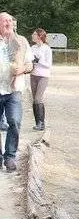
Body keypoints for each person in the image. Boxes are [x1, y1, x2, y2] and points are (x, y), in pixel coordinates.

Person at [0, 12, 33, 172]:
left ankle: (10, 157)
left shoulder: (21, 41)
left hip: (14, 90)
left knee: (14, 121)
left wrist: (23, 69)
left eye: (10, 21)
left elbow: (31, 64)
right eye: (4, 21)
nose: (8, 23)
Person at [29, 28, 52, 131]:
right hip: (33, 75)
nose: (32, 36)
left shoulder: (46, 49)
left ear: (39, 36)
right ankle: (37, 122)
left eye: (34, 34)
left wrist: (39, 60)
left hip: (43, 76)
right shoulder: (32, 47)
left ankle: (42, 123)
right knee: (34, 100)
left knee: (38, 98)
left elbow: (48, 65)